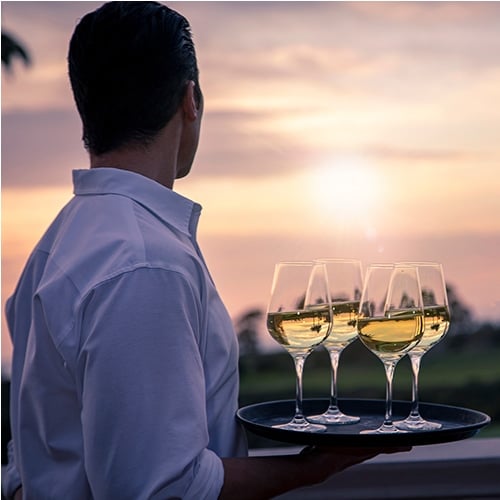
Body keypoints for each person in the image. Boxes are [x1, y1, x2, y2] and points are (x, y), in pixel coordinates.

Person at [2, 2, 409, 499]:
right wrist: (311, 469)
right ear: (189, 99)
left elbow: (31, 460)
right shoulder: (144, 262)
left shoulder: (59, 244)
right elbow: (161, 489)